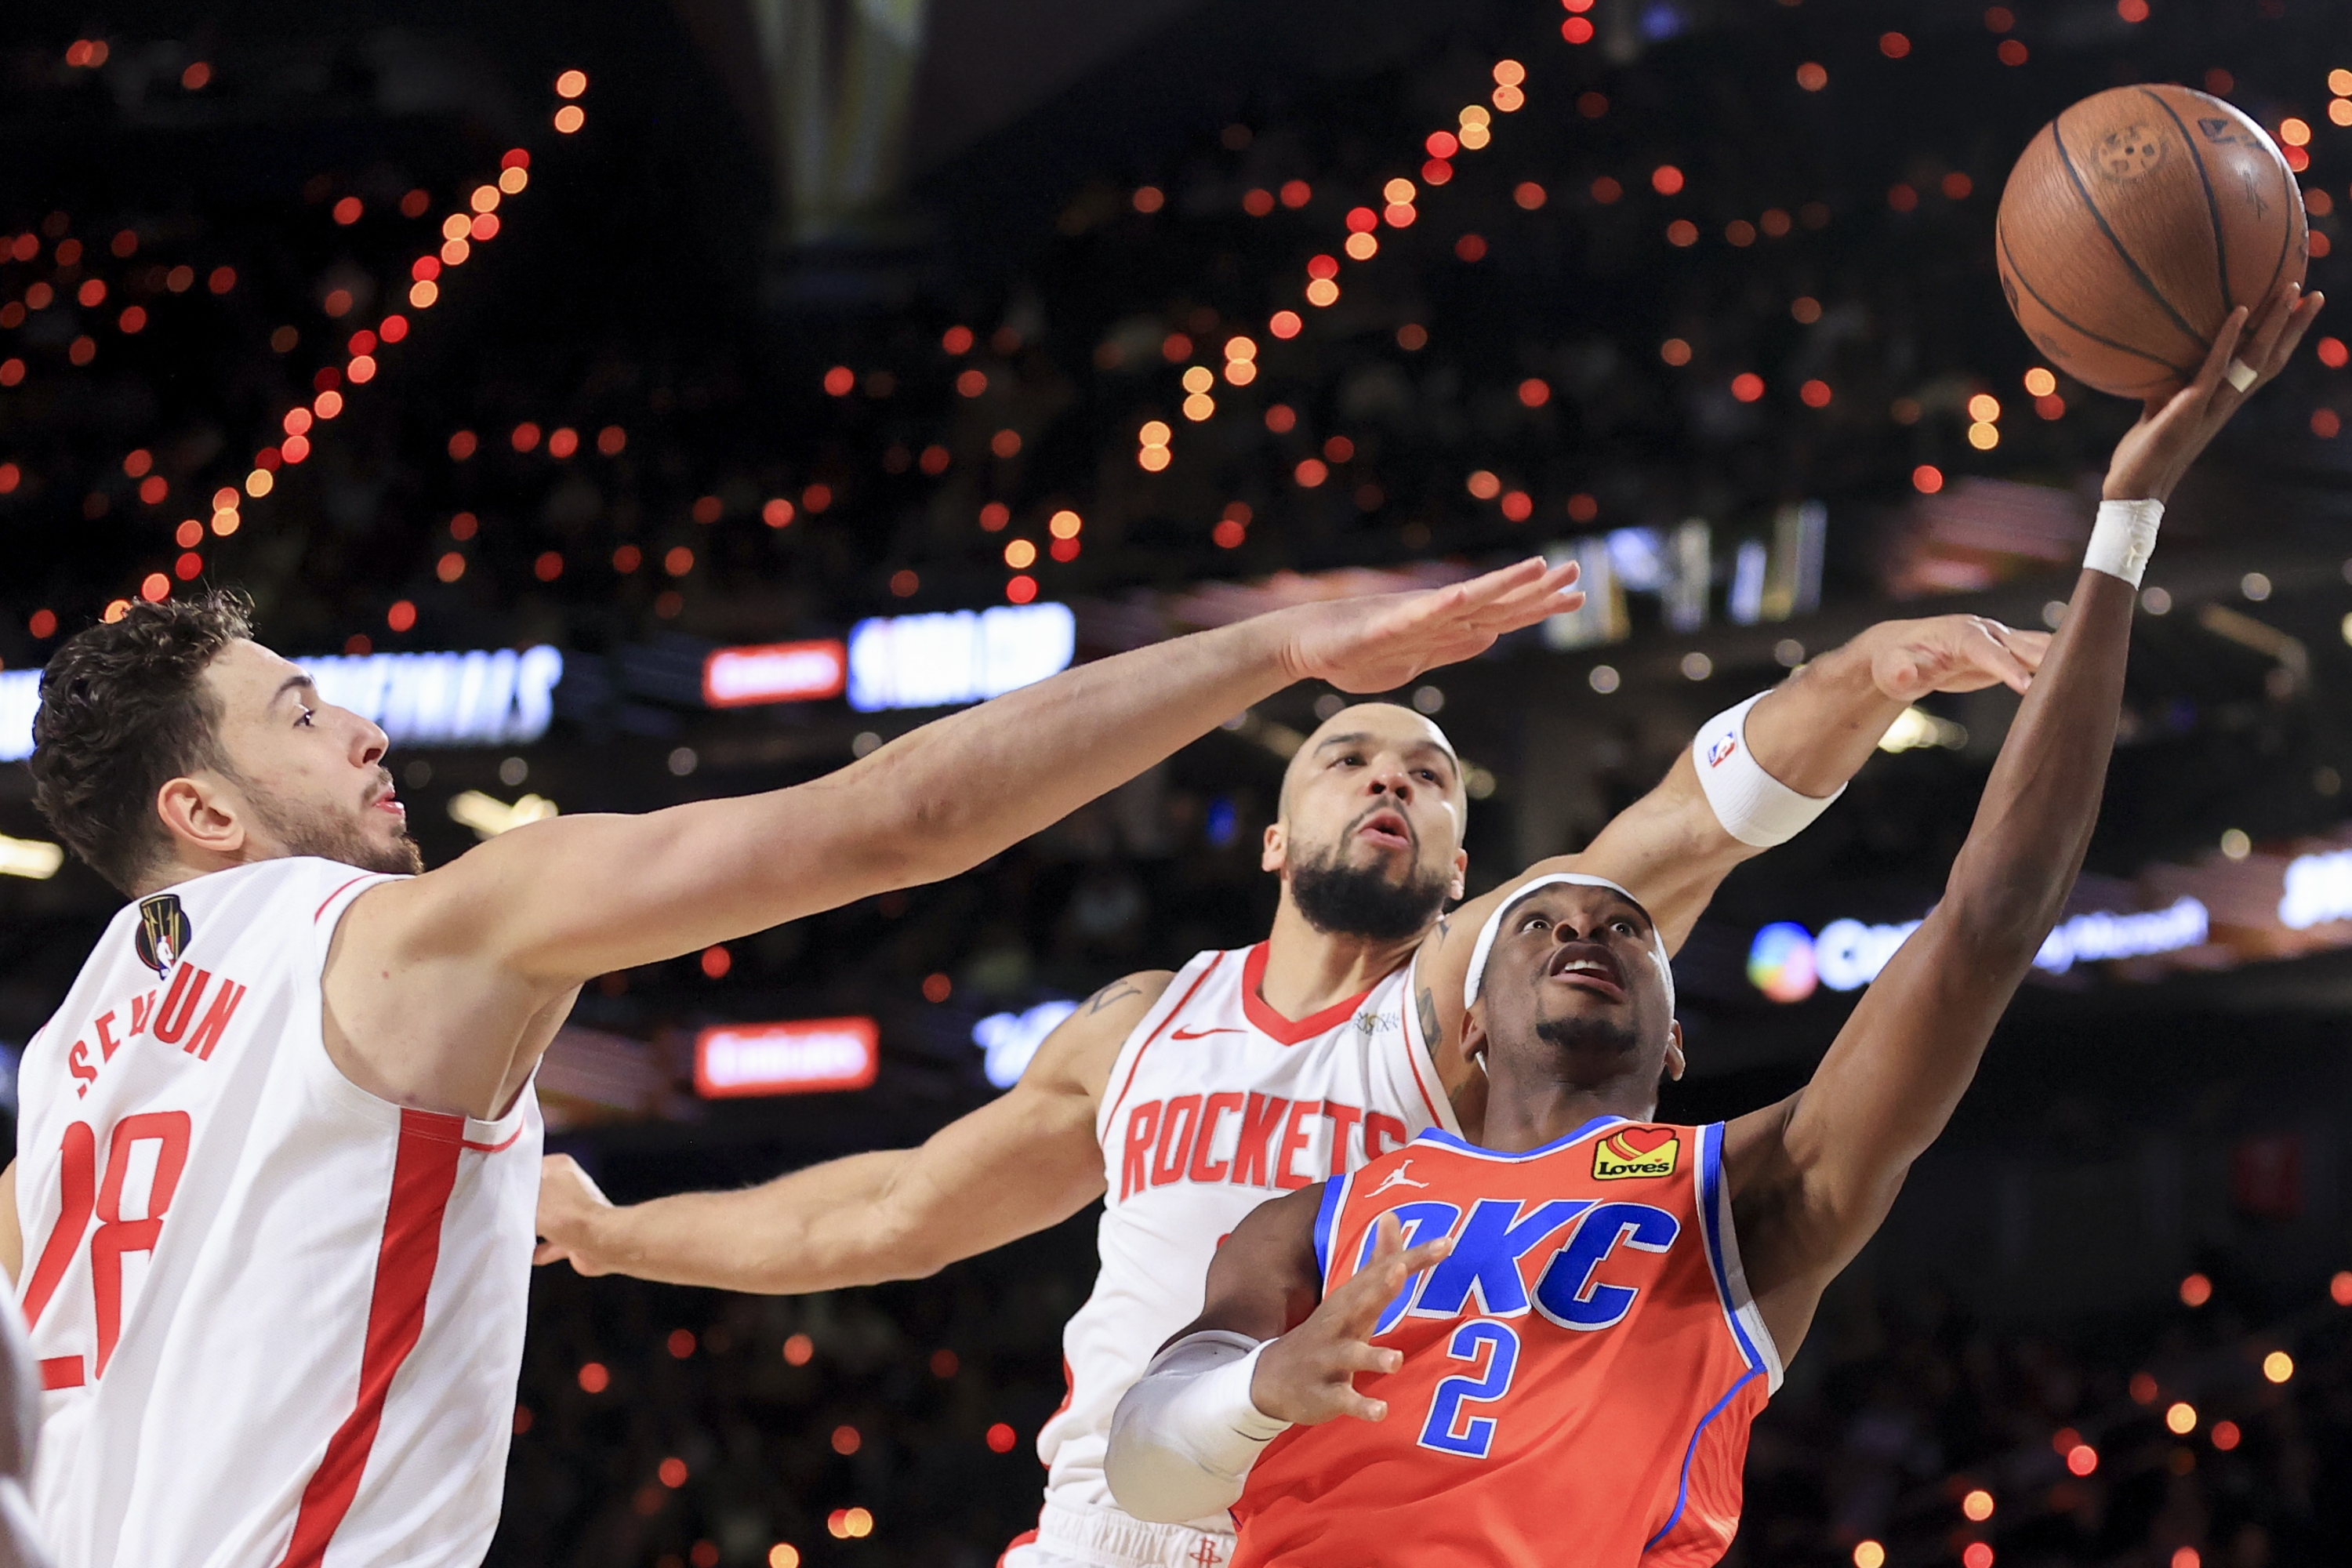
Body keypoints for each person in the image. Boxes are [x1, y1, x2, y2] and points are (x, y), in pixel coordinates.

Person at [0, 557, 1580, 1568]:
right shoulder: (406, 938)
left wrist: (612, 1234)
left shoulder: (67, 1063)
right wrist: (1277, 647)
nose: (362, 729)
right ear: (204, 811)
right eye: (300, 713)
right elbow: (895, 821)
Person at [1102, 288, 2320, 1566]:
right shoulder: (1312, 1218)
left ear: (1676, 1043)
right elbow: (1146, 1460)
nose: (1585, 931)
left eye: (1629, 932)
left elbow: (1986, 925)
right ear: (1466, 1024)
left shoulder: (1742, 1192)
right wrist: (1261, 1389)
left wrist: (2123, 527)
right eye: (1539, 925)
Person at [539, 603, 2063, 1564]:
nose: (1391, 778)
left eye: (1428, 774)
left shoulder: (1479, 993)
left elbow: (1687, 827)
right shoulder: (1142, 1021)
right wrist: (619, 1234)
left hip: (1352, 1522)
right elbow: (883, 1213)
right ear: (1276, 837)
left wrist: (1866, 674)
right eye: (1350, 757)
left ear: (1469, 863)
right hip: (1115, 1520)